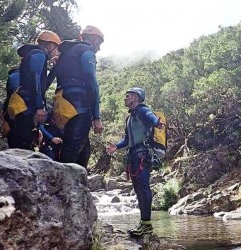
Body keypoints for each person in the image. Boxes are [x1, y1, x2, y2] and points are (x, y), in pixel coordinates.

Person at [106, 87, 164, 236]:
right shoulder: (130, 117)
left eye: (128, 96)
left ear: (136, 98)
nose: (125, 98)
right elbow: (127, 139)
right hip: (133, 155)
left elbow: (151, 117)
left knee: (143, 187)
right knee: (138, 189)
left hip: (143, 154)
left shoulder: (142, 110)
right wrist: (116, 147)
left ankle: (147, 224)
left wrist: (156, 123)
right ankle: (143, 223)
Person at [53, 25, 104, 168]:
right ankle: (62, 186)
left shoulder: (66, 53)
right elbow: (92, 83)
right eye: (99, 43)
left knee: (83, 148)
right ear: (93, 39)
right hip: (78, 106)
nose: (99, 48)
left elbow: (51, 77)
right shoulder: (87, 51)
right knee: (72, 150)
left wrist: (39, 106)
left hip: (62, 101)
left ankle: (79, 185)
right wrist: (96, 117)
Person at [10, 30, 61, 150]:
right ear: (50, 45)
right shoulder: (39, 54)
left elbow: (43, 86)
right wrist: (39, 107)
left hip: (25, 104)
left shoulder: (34, 55)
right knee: (24, 143)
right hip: (26, 106)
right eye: (56, 48)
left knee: (26, 141)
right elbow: (35, 79)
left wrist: (55, 69)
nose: (56, 52)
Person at [2, 67, 20, 147]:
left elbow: (13, 89)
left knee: (12, 134)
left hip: (11, 109)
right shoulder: (20, 75)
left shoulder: (13, 76)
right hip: (21, 109)